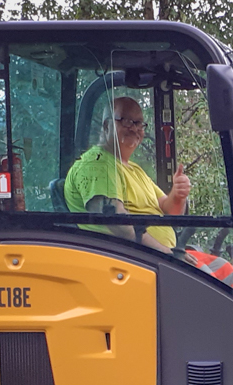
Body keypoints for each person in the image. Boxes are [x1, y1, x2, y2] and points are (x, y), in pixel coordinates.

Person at [64, 96, 195, 262]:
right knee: (213, 276)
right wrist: (168, 255)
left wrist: (178, 195)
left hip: (161, 257)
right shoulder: (97, 165)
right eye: (126, 121)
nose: (134, 128)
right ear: (106, 126)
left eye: (139, 123)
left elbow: (169, 210)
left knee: (221, 267)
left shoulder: (134, 170)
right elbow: (118, 224)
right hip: (132, 260)